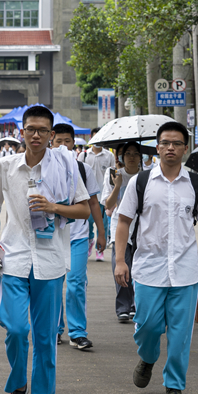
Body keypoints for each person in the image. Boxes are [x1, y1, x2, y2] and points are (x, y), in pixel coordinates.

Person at [0, 106, 90, 394]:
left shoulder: (68, 165)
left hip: (50, 261)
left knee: (44, 337)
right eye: (31, 129)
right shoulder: (4, 166)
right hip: (14, 259)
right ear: (21, 132)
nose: (37, 135)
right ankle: (18, 384)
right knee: (16, 329)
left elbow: (84, 209)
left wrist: (54, 207)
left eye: (43, 130)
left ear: (52, 135)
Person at [114, 121, 198, 394]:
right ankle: (148, 357)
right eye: (165, 143)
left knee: (180, 333)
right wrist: (119, 261)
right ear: (157, 146)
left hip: (185, 270)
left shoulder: (195, 183)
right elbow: (124, 222)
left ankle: (174, 385)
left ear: (185, 148)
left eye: (176, 143)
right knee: (148, 326)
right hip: (149, 268)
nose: (170, 148)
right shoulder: (140, 182)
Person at [51, 124, 106, 351]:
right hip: (52, 237)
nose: (63, 146)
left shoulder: (83, 169)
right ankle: (53, 329)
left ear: (74, 143)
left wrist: (101, 232)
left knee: (75, 284)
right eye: (58, 141)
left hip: (79, 237)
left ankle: (77, 332)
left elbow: (93, 202)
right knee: (53, 285)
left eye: (67, 141)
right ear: (50, 142)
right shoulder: (44, 169)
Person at [103, 142, 143, 323]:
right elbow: (108, 205)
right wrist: (117, 185)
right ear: (121, 156)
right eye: (128, 154)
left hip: (142, 229)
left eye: (135, 153)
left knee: (139, 269)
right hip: (120, 228)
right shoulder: (113, 174)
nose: (132, 157)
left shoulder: (146, 177)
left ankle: (136, 305)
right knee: (121, 267)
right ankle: (123, 307)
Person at [79, 129, 115, 262]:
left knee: (103, 225)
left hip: (103, 196)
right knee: (87, 223)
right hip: (87, 196)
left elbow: (113, 175)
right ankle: (89, 243)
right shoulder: (84, 155)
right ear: (91, 138)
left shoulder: (108, 156)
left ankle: (100, 250)